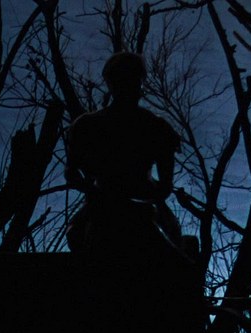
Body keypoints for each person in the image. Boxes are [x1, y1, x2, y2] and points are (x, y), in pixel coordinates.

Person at [65, 51, 182, 259]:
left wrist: (138, 199)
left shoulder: (157, 128)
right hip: (100, 210)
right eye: (122, 79)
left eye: (132, 79)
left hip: (140, 211)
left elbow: (165, 187)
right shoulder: (87, 126)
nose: (129, 86)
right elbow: (72, 173)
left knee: (177, 259)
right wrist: (99, 195)